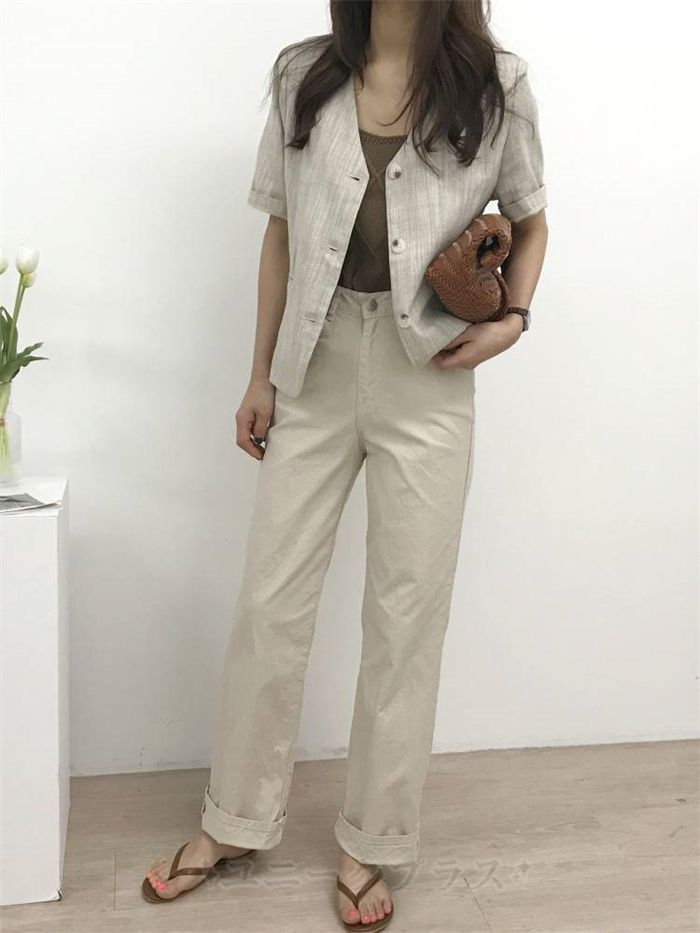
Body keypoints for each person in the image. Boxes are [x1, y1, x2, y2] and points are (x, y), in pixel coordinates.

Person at [142, 1, 548, 929]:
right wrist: (259, 375)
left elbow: (532, 222)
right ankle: (234, 820)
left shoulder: (498, 85)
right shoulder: (305, 74)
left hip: (429, 376)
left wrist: (513, 322)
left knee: (407, 617)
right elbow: (281, 235)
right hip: (315, 365)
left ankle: (373, 841)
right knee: (269, 600)